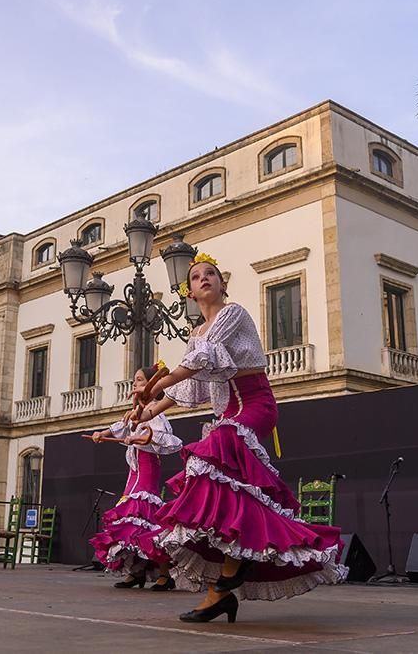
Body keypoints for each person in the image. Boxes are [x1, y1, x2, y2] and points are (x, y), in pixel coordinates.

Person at [138, 254, 346, 623]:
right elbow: (192, 383)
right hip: (227, 412)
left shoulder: (232, 314)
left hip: (255, 404)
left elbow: (199, 361)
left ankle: (231, 578)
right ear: (189, 291)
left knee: (212, 453)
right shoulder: (196, 333)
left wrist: (155, 384)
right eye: (197, 276)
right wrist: (147, 412)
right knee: (228, 484)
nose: (204, 279)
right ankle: (226, 584)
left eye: (211, 274)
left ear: (221, 283)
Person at [88, 363, 183, 590]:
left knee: (144, 521)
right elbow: (120, 427)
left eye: (140, 380)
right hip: (133, 476)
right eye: (134, 381)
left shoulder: (154, 411)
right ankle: (136, 571)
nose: (134, 385)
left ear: (151, 385)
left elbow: (165, 439)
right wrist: (102, 433)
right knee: (131, 524)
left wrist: (140, 439)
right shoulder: (134, 412)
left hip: (146, 475)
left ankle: (164, 574)